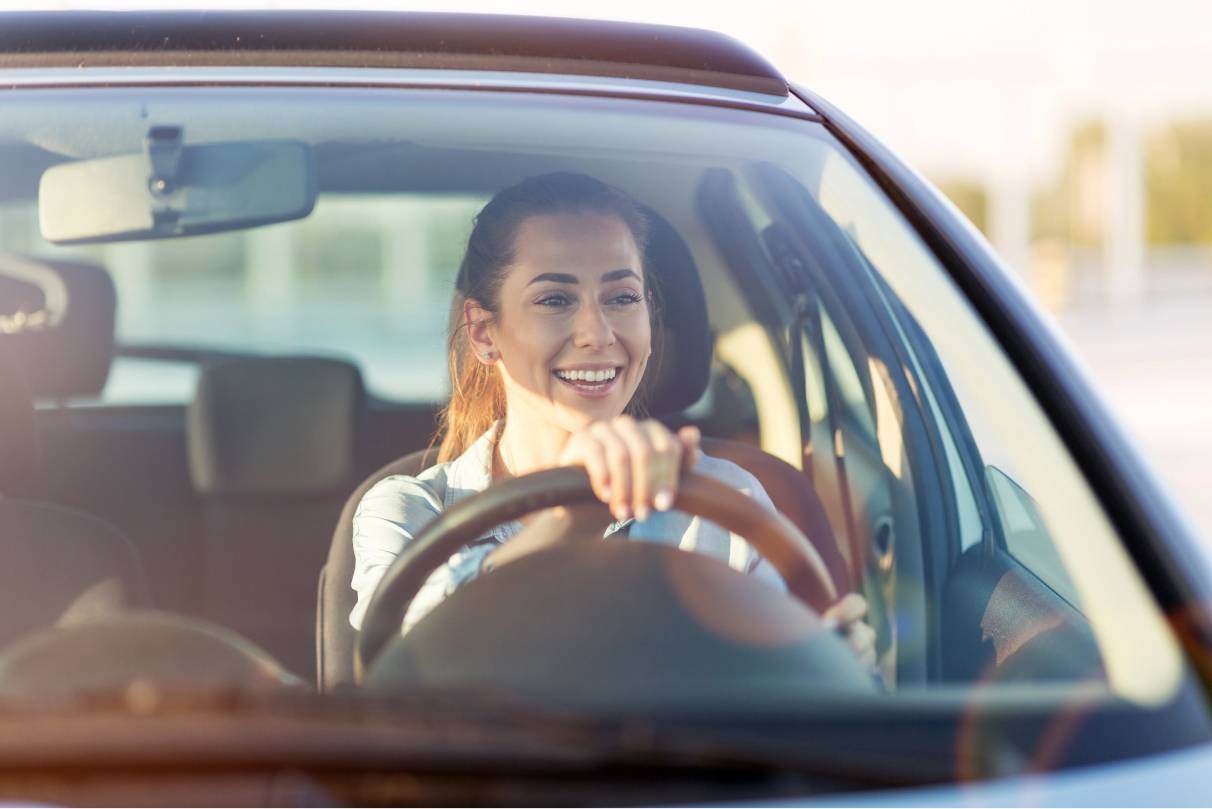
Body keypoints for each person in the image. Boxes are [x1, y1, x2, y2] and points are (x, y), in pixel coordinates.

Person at [350, 171, 876, 667]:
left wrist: (830, 665)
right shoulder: (407, 511)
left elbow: (775, 694)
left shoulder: (726, 502)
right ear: (484, 332)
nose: (597, 333)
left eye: (622, 297)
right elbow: (405, 670)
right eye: (555, 300)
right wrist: (572, 518)